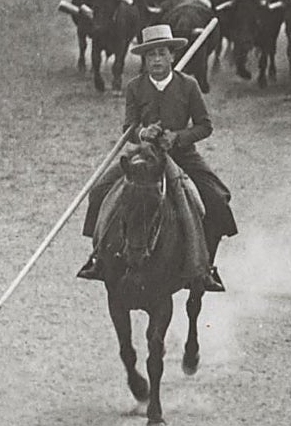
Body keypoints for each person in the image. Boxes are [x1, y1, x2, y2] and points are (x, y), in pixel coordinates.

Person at [78, 24, 234, 291]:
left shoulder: (189, 85)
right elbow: (128, 128)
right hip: (144, 158)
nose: (157, 60)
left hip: (183, 157)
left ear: (172, 56)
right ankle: (99, 259)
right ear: (144, 60)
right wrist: (142, 132)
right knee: (99, 192)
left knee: (217, 199)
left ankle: (204, 268)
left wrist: (178, 138)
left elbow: (205, 126)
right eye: (151, 55)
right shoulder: (135, 87)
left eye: (162, 53)